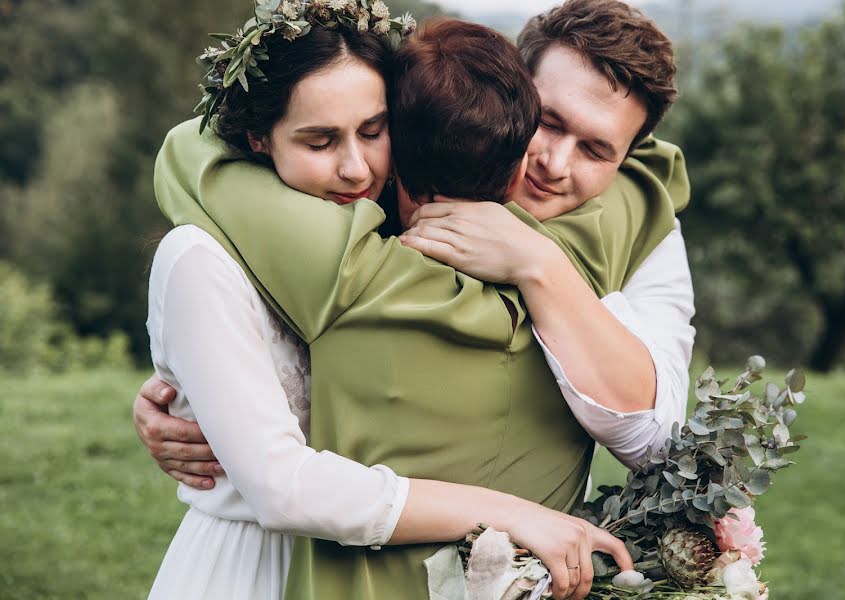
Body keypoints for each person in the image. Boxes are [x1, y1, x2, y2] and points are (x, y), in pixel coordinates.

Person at [151, 9, 687, 600]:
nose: (554, 164)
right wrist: (191, 382)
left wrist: (540, 266)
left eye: (596, 149)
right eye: (548, 123)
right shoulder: (367, 209)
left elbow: (660, 441)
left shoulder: (633, 228)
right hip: (263, 558)